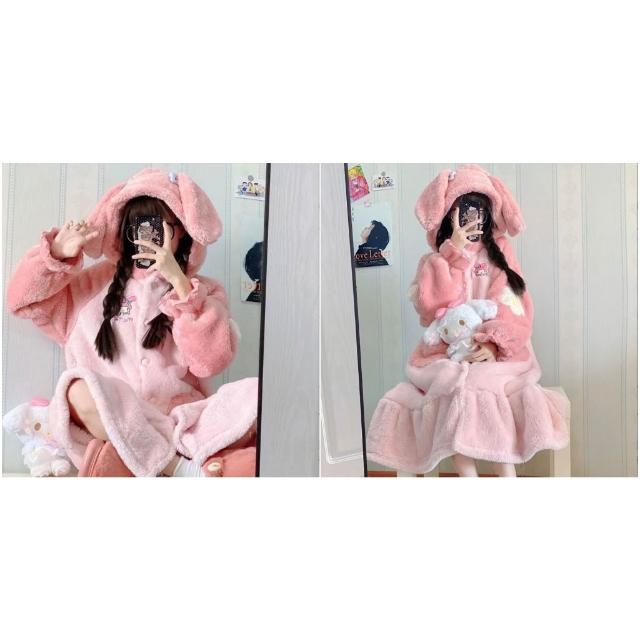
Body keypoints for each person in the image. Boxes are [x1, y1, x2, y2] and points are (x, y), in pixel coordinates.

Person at [7, 168, 257, 477]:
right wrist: (56, 255)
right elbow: (22, 301)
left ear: (181, 231)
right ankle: (180, 469)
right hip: (113, 428)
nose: (145, 236)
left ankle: (181, 465)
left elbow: (210, 362)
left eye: (156, 226)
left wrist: (180, 285)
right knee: (76, 390)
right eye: (137, 226)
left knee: (255, 394)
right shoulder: (92, 287)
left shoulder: (202, 291)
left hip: (182, 425)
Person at [366, 164, 569, 477]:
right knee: (451, 386)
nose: (472, 218)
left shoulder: (500, 253)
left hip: (498, 353)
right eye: (463, 210)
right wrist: (453, 256)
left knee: (483, 385)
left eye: (479, 210)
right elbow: (434, 307)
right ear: (449, 214)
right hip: (445, 352)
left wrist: (494, 343)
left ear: (489, 214)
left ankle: (507, 476)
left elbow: (512, 299)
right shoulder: (434, 261)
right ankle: (468, 477)